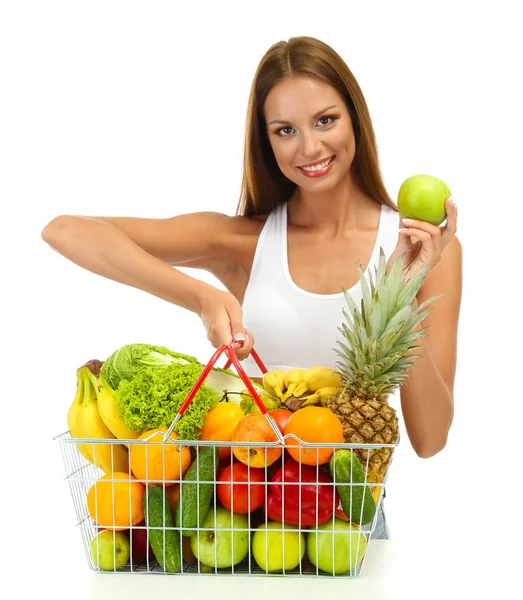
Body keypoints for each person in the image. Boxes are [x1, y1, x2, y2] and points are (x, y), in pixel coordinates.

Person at [41, 36, 462, 540]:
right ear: (266, 142)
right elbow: (64, 230)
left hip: (347, 529)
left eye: (325, 120)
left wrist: (401, 287)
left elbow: (431, 438)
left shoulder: (422, 248)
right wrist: (200, 296)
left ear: (356, 119)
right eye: (285, 130)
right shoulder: (244, 241)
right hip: (234, 515)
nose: (309, 147)